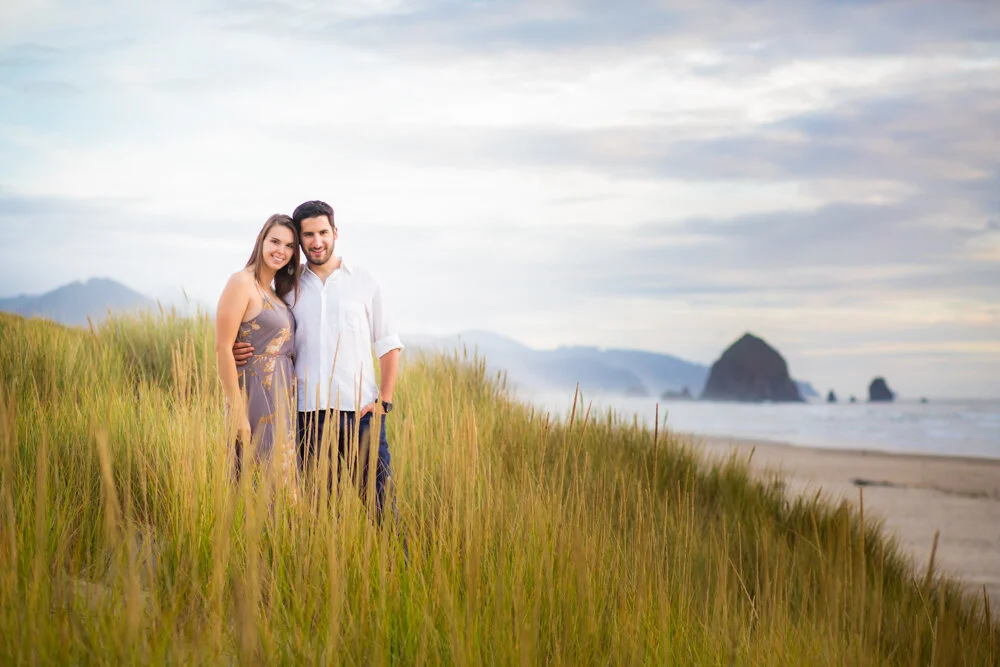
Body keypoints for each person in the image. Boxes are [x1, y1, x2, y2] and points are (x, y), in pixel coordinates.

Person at [233, 200, 404, 525]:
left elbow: (388, 344)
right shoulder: (287, 286)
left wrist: (385, 401)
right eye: (308, 235)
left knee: (382, 513)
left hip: (361, 417)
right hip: (307, 420)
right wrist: (239, 350)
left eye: (323, 232)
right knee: (319, 520)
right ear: (300, 240)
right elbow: (267, 327)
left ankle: (400, 573)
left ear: (335, 233)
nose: (316, 241)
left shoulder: (364, 281)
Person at [215, 213, 301, 492]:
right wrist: (238, 412)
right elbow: (223, 348)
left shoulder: (276, 293)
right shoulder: (242, 282)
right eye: (275, 241)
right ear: (260, 240)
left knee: (282, 480)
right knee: (257, 481)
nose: (282, 250)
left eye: (289, 246)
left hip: (282, 399)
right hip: (255, 399)